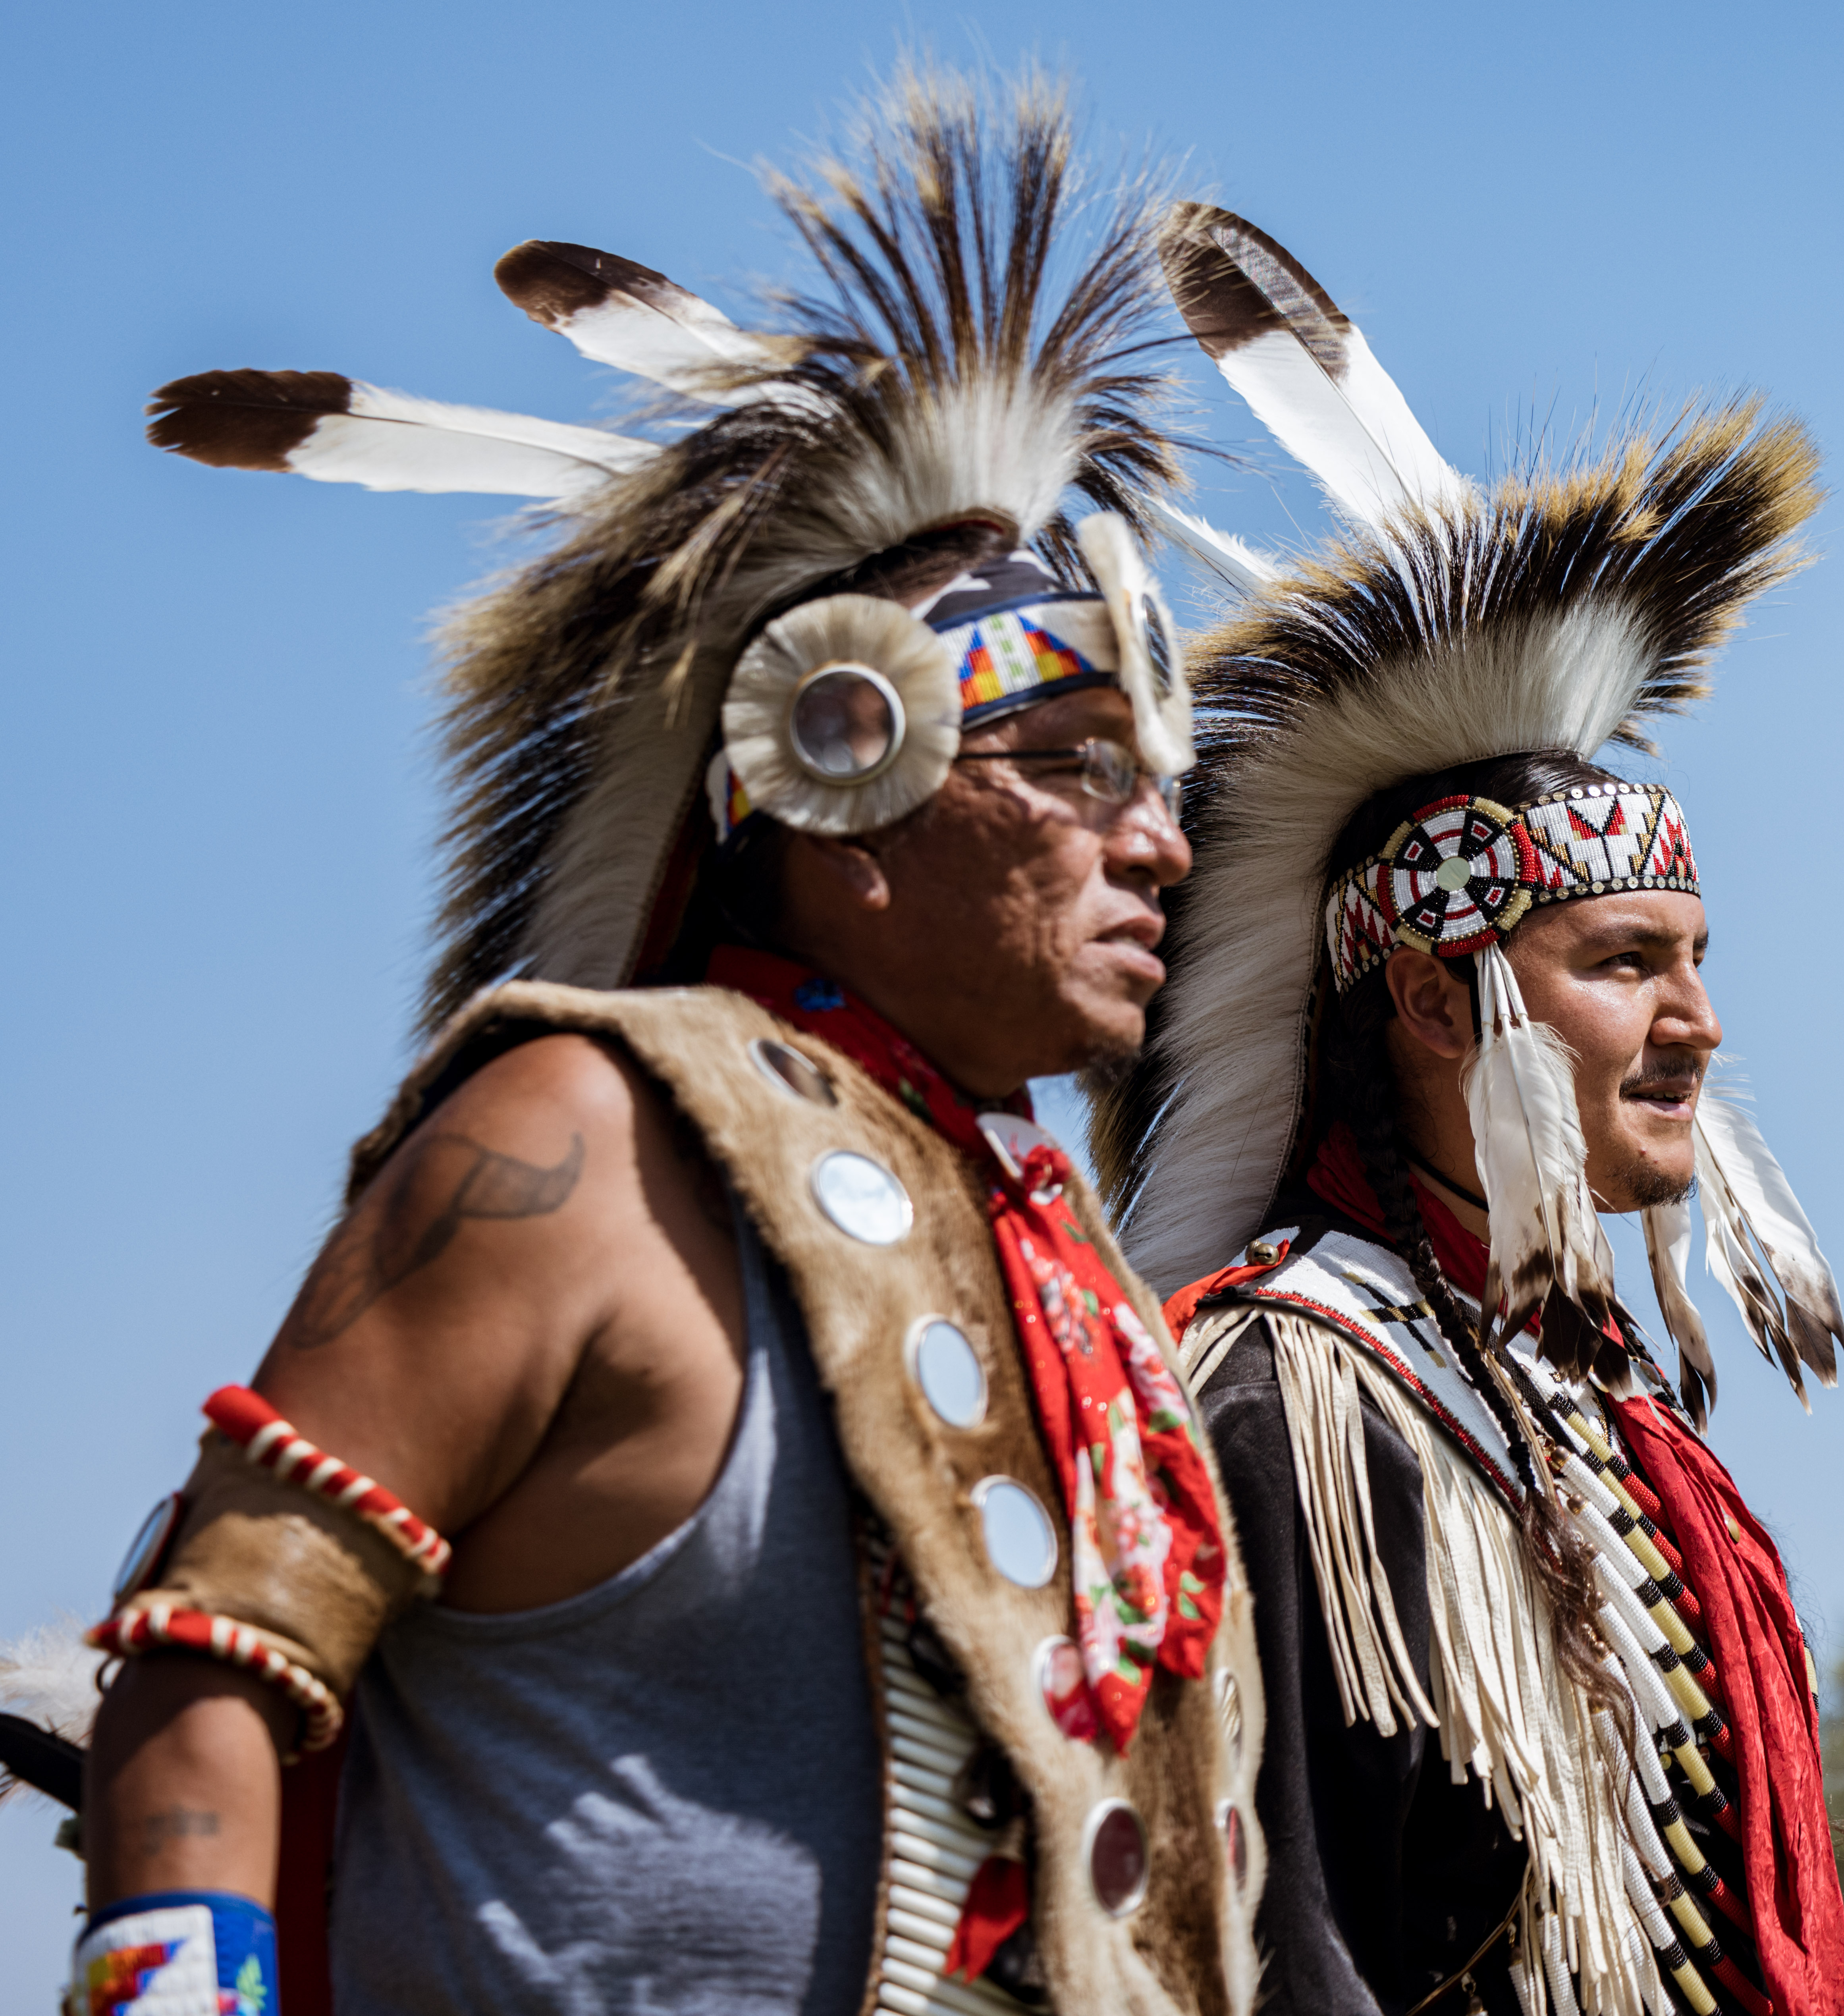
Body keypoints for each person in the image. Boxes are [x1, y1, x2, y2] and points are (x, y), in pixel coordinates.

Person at [70, 74, 1265, 2016]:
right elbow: (214, 1666)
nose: (1158, 841)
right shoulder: (581, 1140)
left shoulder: (1086, 1288)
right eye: (1071, 772)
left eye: (1157, 785)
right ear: (844, 781)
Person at [1086, 206, 1844, 2016]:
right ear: (1440, 1002)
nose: (1698, 1021)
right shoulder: (1285, 1393)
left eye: (1694, 956)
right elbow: (1268, 1945)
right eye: (1623, 964)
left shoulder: (1595, 1417)